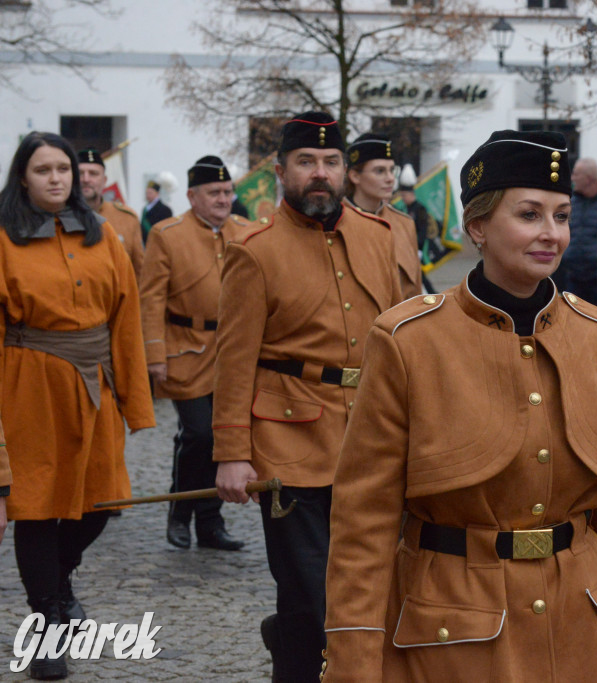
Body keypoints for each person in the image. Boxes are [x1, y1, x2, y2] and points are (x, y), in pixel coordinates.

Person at [321, 129, 597, 683]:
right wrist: (353, 666)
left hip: (587, 629)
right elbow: (363, 522)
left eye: (562, 216)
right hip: (455, 637)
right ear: (477, 227)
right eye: (529, 214)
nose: (551, 234)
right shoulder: (407, 341)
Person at [212, 112, 403, 682]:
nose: (319, 174)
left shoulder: (380, 237)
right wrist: (231, 451)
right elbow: (234, 357)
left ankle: (290, 651)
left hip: (371, 438)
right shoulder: (254, 249)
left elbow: (399, 340)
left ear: (344, 170)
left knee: (335, 591)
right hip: (287, 440)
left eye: (330, 162)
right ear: (280, 171)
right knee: (321, 591)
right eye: (305, 162)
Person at [0, 131, 154, 679]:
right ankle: (47, 629)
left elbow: (126, 322)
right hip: (30, 391)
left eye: (63, 168)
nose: (56, 178)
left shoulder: (104, 236)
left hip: (96, 388)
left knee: (104, 503)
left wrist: (136, 404)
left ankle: (59, 583)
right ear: (23, 176)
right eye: (43, 170)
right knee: (38, 509)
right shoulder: (3, 240)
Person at [139, 155, 249, 552]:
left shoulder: (248, 231)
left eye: (227, 191)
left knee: (222, 439)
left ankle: (210, 521)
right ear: (191, 195)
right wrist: (155, 354)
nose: (223, 199)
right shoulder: (168, 234)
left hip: (235, 352)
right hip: (184, 349)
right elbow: (150, 299)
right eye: (213, 192)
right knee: (199, 434)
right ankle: (180, 513)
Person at [344, 132, 422, 300]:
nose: (390, 179)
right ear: (355, 176)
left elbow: (414, 291)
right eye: (379, 171)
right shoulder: (335, 223)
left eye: (392, 170)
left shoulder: (404, 224)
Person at [77, 147, 145, 281]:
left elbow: (140, 271)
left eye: (93, 174)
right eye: (80, 173)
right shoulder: (58, 218)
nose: (86, 179)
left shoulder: (127, 218)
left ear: (104, 180)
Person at [556, 157, 597, 304]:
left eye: (576, 174)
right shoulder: (569, 203)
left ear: (589, 179)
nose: (572, 178)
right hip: (572, 279)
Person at [397, 164, 442, 294]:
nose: (403, 198)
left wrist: (419, 249)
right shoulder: (403, 209)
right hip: (406, 247)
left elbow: (423, 231)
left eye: (404, 195)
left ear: (411, 194)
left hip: (417, 248)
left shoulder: (420, 209)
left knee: (419, 274)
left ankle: (432, 294)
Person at [140, 180, 172, 244]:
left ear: (157, 193)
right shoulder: (145, 209)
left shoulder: (165, 210)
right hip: (145, 243)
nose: (148, 195)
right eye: (147, 193)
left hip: (158, 242)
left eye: (150, 193)